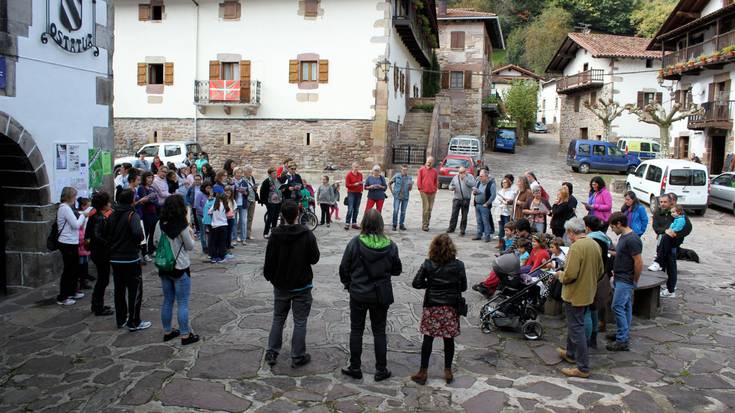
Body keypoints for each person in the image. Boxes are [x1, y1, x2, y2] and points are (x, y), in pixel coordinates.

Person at [339, 209, 402, 382]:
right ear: (381, 225)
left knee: (356, 330)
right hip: (380, 295)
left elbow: (344, 268)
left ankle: (355, 367)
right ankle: (381, 369)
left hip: (358, 293)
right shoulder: (391, 245)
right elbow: (397, 270)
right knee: (379, 332)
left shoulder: (355, 243)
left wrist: (349, 285)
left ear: (364, 224)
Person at [263, 200, 320, 368]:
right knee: (300, 321)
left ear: (282, 215)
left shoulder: (275, 234)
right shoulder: (307, 234)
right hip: (301, 284)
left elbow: (269, 259)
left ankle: (272, 352)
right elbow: (314, 258)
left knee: (278, 318)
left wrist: (270, 276)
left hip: (281, 284)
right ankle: (297, 356)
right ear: (297, 214)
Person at [410, 234, 467, 385]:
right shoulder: (459, 265)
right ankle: (448, 370)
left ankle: (423, 371)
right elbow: (464, 287)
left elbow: (416, 283)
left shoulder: (428, 264)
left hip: (432, 306)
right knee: (449, 340)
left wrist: (430, 284)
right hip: (450, 306)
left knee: (428, 338)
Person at [554, 217, 603, 379]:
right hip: (588, 292)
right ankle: (570, 353)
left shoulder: (576, 247)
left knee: (577, 328)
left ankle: (582, 367)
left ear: (570, 232)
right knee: (575, 324)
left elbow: (569, 275)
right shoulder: (594, 244)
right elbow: (600, 270)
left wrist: (559, 274)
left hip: (575, 294)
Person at [153, 195, 200, 346]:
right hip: (180, 266)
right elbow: (190, 246)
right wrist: (191, 235)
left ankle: (167, 332)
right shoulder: (182, 225)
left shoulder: (160, 223)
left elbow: (155, 242)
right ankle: (185, 335)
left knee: (167, 301)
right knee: (183, 303)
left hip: (165, 266)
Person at [106, 189, 151, 331]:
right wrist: (135, 242)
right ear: (131, 201)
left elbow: (107, 233)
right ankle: (134, 321)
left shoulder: (112, 215)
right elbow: (138, 234)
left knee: (119, 290)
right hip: (130, 258)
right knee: (135, 290)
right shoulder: (132, 215)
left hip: (115, 258)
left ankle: (121, 319)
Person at [606, 212, 642, 352]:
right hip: (620, 276)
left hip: (625, 279)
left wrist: (634, 280)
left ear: (619, 224)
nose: (612, 230)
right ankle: (623, 333)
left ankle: (622, 339)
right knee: (625, 307)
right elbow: (622, 254)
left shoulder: (632, 239)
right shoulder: (624, 237)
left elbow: (638, 262)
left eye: (612, 227)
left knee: (617, 306)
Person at [55, 187, 88, 306]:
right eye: (74, 196)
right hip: (67, 242)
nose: (75, 199)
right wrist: (84, 215)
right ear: (69, 197)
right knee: (69, 270)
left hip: (71, 242)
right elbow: (76, 224)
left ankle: (72, 291)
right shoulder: (65, 208)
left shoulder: (66, 208)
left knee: (74, 268)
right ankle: (63, 296)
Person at [87, 191, 114, 316]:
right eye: (108, 202)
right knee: (103, 279)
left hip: (98, 251)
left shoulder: (97, 216)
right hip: (100, 252)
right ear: (103, 205)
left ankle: (97, 303)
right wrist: (108, 243)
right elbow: (97, 236)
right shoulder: (98, 218)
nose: (110, 204)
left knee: (103, 279)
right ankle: (98, 306)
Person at [136, 172, 159, 262]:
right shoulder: (141, 188)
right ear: (144, 178)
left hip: (153, 213)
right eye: (148, 177)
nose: (150, 179)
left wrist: (150, 198)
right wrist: (150, 198)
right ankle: (144, 253)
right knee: (145, 234)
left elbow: (155, 200)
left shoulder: (152, 188)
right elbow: (145, 200)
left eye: (151, 177)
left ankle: (151, 250)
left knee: (153, 233)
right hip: (145, 214)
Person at [447, 167, 476, 236]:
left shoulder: (470, 177)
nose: (461, 174)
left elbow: (473, 184)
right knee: (454, 214)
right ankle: (451, 228)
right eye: (460, 172)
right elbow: (450, 185)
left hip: (466, 199)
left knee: (464, 215)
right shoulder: (455, 177)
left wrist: (465, 179)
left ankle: (462, 230)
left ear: (465, 171)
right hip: (456, 199)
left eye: (463, 172)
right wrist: (451, 188)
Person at [493, 175, 517, 250]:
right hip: (500, 212)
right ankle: (500, 242)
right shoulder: (500, 191)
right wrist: (501, 202)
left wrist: (506, 201)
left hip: (507, 213)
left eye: (505, 183)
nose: (504, 184)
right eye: (503, 183)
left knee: (507, 228)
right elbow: (496, 201)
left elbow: (511, 201)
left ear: (509, 183)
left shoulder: (512, 192)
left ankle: (507, 242)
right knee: (501, 228)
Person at [473, 169, 496, 242]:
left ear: (486, 176)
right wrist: (474, 192)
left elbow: (493, 195)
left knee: (485, 221)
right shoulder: (478, 182)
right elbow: (475, 191)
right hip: (477, 204)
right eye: (479, 176)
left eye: (481, 176)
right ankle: (479, 235)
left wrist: (487, 203)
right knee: (479, 221)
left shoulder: (491, 184)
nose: (480, 177)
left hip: (485, 206)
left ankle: (487, 236)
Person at [260, 167, 284, 239]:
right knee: (270, 217)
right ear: (269, 174)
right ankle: (266, 233)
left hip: (278, 201)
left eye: (276, 173)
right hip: (270, 202)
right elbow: (262, 192)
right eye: (273, 173)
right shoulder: (266, 181)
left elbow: (280, 188)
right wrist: (264, 202)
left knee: (276, 217)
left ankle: (274, 232)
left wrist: (282, 190)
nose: (275, 174)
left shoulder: (278, 180)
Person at [417, 157, 438, 232]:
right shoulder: (422, 169)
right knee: (426, 208)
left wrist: (435, 189)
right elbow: (419, 179)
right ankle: (424, 225)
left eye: (430, 162)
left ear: (433, 163)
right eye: (428, 161)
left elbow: (436, 181)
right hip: (424, 191)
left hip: (432, 192)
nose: (429, 163)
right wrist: (420, 188)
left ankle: (427, 223)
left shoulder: (434, 171)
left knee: (430, 209)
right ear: (426, 162)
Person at [389, 164, 413, 231]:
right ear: (401, 169)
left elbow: (410, 189)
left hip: (405, 197)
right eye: (403, 169)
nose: (404, 171)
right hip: (397, 196)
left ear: (407, 170)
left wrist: (410, 185)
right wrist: (392, 192)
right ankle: (394, 225)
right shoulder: (397, 176)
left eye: (406, 170)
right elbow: (389, 183)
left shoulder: (409, 178)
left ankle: (401, 225)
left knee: (403, 211)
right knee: (396, 210)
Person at [77, 197, 93, 290]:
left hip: (85, 238)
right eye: (88, 206)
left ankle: (85, 277)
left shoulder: (85, 215)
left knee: (85, 261)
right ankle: (82, 280)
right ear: (83, 206)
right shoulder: (80, 215)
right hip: (81, 239)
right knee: (81, 263)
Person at [208, 193, 229, 263]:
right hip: (223, 226)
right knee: (222, 242)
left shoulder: (215, 206)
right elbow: (229, 214)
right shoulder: (225, 206)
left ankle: (214, 257)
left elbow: (209, 212)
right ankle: (221, 257)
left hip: (214, 226)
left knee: (214, 242)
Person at [232, 167, 250, 244]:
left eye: (240, 173)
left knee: (243, 221)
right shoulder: (232, 182)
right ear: (234, 173)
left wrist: (245, 193)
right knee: (234, 222)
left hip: (243, 204)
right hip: (234, 204)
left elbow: (247, 193)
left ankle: (243, 239)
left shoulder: (244, 182)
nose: (239, 174)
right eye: (237, 173)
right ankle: (234, 239)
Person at [344, 162, 365, 230]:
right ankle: (347, 223)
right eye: (355, 167)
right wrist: (354, 185)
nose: (356, 168)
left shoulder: (360, 174)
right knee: (350, 208)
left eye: (357, 167)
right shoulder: (349, 175)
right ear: (352, 167)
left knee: (356, 209)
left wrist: (361, 186)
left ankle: (354, 223)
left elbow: (361, 183)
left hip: (358, 193)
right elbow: (347, 185)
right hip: (351, 193)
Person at [243, 165, 259, 240]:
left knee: (250, 217)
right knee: (243, 218)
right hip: (246, 199)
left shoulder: (251, 178)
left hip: (253, 199)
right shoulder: (243, 179)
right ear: (245, 172)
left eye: (251, 171)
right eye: (249, 172)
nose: (250, 173)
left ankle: (248, 234)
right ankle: (242, 233)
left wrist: (255, 188)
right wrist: (251, 188)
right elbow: (243, 190)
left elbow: (253, 188)